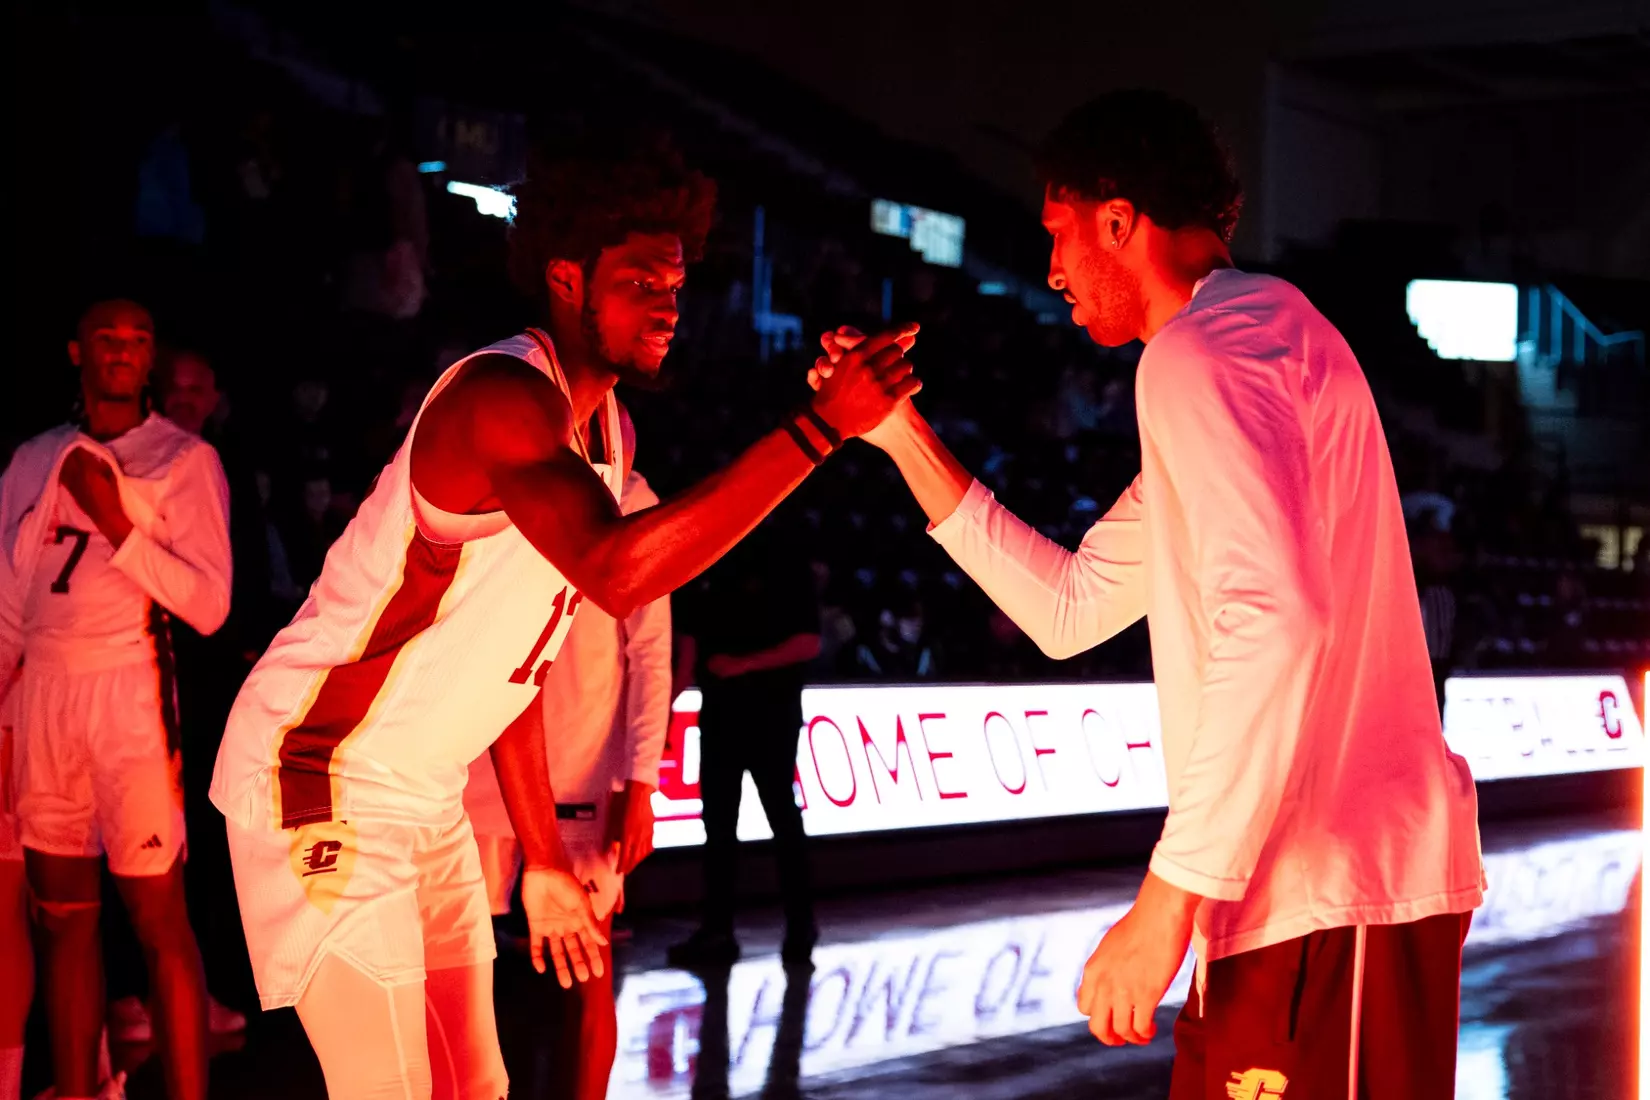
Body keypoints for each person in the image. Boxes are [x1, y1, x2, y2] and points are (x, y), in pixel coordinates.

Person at [208, 136, 919, 1099]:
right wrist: (822, 427)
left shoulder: (611, 433)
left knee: (478, 1088)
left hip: (422, 797)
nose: (668, 303)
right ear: (566, 277)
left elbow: (519, 666)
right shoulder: (502, 397)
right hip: (319, 769)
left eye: (675, 283)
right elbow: (619, 574)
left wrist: (543, 860)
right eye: (638, 281)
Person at [816, 90, 1483, 1098]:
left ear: (1118, 220)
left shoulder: (1198, 354)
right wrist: (900, 435)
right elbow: (1072, 604)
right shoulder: (1264, 337)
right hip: (1315, 893)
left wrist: (1166, 896)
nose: (1050, 269)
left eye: (1059, 233)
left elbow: (1278, 619)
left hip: (1323, 890)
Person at [0, 299, 231, 1100]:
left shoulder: (184, 460)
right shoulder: (34, 458)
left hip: (129, 690)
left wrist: (115, 522)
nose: (123, 352)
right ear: (78, 351)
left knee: (158, 916)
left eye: (138, 340)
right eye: (108, 339)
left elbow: (210, 605)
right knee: (62, 921)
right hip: (44, 693)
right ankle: (77, 1090)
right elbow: (6, 600)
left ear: (152, 356)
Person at [462, 467, 672, 1100]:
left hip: (579, 776)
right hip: (477, 772)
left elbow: (652, 650)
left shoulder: (631, 495)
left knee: (588, 977)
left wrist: (640, 784)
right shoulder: (497, 474)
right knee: (464, 983)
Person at [668, 516, 821, 970]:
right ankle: (718, 932)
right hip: (719, 716)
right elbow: (690, 647)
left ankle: (801, 926)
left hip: (771, 716)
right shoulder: (708, 562)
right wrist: (665, 707)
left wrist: (743, 665)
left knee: (782, 820)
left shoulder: (786, 563)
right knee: (717, 826)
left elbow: (808, 643)